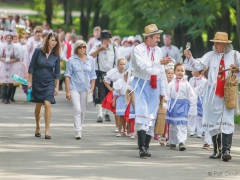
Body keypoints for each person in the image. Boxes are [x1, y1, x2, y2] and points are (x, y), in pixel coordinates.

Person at [184, 31, 240, 162]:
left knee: (227, 120)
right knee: (212, 121)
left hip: (228, 93)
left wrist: (237, 69)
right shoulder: (210, 55)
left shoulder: (235, 55)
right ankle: (216, 149)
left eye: (217, 43)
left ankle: (226, 150)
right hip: (212, 94)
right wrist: (189, 57)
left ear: (224, 44)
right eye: (214, 42)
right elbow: (198, 65)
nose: (215, 45)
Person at [131, 24, 172, 157]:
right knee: (142, 113)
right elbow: (143, 67)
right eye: (156, 37)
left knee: (151, 116)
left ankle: (146, 147)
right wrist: (159, 63)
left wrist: (163, 92)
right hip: (141, 84)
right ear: (148, 38)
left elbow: (161, 72)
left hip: (155, 85)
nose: (158, 40)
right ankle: (141, 147)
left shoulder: (158, 51)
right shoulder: (138, 49)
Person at [28, 32, 61, 139]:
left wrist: (56, 86)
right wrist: (29, 81)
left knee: (47, 103)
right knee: (38, 105)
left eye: (56, 41)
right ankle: (38, 126)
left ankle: (47, 129)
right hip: (37, 81)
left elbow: (57, 72)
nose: (54, 43)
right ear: (47, 40)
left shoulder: (56, 55)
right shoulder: (38, 51)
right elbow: (32, 66)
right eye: (52, 40)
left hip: (49, 82)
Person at [65, 40, 96, 140]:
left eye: (84, 47)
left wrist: (92, 88)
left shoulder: (91, 59)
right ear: (76, 49)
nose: (82, 49)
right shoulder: (71, 60)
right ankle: (78, 131)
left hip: (85, 88)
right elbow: (67, 76)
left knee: (82, 111)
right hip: (74, 87)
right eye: (80, 47)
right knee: (77, 109)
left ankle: (79, 127)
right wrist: (67, 91)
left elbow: (93, 75)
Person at [166, 62, 197, 151]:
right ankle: (172, 141)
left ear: (185, 72)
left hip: (183, 106)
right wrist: (165, 103)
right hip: (172, 106)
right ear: (175, 72)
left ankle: (181, 142)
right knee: (173, 125)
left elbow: (191, 95)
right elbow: (167, 94)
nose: (180, 72)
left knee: (182, 124)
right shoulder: (171, 84)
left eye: (182, 71)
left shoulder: (187, 84)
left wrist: (192, 105)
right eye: (178, 70)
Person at [89, 30, 118, 122]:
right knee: (99, 93)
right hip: (99, 72)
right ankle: (99, 115)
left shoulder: (114, 48)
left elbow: (118, 61)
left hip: (111, 73)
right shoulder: (96, 46)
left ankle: (107, 113)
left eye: (106, 39)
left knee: (109, 93)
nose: (104, 41)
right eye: (102, 39)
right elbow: (90, 57)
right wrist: (100, 49)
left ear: (109, 39)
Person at [103, 58, 127, 136]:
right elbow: (105, 80)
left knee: (124, 111)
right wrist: (110, 88)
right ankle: (117, 126)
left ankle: (125, 128)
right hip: (116, 92)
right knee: (117, 111)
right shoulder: (114, 72)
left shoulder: (126, 73)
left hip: (124, 93)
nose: (122, 66)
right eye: (121, 64)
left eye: (124, 64)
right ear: (117, 65)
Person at [0, 31, 23, 104]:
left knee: (10, 82)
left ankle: (9, 97)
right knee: (3, 82)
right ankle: (4, 97)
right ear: (5, 39)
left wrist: (10, 60)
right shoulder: (2, 47)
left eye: (10, 38)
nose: (9, 39)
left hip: (12, 66)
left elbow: (18, 57)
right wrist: (5, 60)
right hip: (4, 65)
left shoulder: (15, 47)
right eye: (7, 38)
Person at [188, 70, 207, 138]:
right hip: (192, 98)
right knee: (192, 114)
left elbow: (203, 90)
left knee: (199, 116)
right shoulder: (191, 79)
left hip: (200, 98)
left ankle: (200, 131)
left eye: (193, 70)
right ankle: (192, 130)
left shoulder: (204, 80)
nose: (191, 72)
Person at [159, 62, 175, 146]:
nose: (170, 75)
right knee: (163, 120)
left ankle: (169, 138)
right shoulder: (163, 83)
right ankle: (163, 136)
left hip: (172, 103)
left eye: (172, 73)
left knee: (170, 122)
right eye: (168, 73)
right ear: (165, 74)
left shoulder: (175, 83)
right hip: (164, 102)